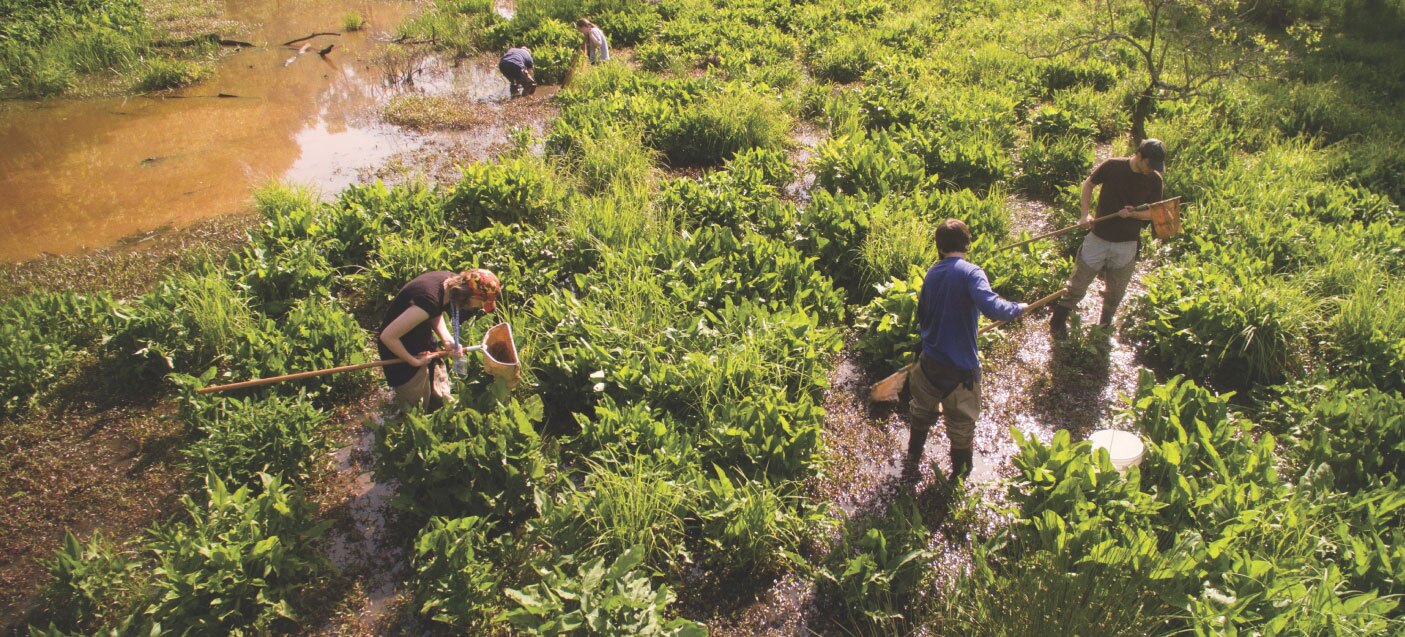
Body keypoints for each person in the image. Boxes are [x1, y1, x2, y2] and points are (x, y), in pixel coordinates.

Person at [906, 219, 1026, 482]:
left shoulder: (932, 272)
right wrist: (1018, 308)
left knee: (921, 413)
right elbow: (993, 308)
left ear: (939, 246)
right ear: (967, 243)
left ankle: (912, 462)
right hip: (960, 370)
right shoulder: (972, 273)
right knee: (961, 427)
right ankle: (958, 481)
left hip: (927, 364)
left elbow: (923, 314)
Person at [1050, 138, 1166, 337]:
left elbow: (1155, 213)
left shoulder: (1155, 180)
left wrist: (1134, 214)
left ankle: (1104, 329)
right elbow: (1088, 185)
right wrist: (1085, 214)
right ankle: (1057, 322)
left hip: (1127, 245)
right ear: (1139, 155)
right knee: (1077, 285)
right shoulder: (1113, 166)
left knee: (1116, 293)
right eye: (1149, 164)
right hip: (1099, 237)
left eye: (1156, 166)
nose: (1151, 169)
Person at [378, 269, 500, 412]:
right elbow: (388, 337)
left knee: (438, 393)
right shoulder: (429, 299)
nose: (478, 308)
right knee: (415, 408)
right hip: (398, 350)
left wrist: (447, 339)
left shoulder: (449, 284)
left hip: (422, 340)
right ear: (471, 296)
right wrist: (414, 361)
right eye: (480, 304)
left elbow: (435, 311)